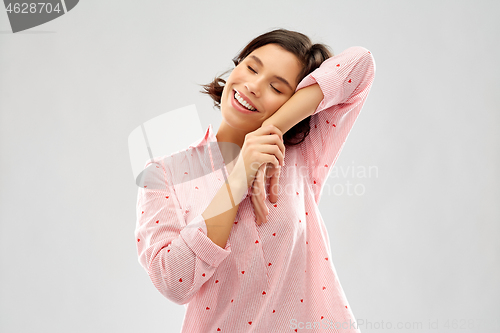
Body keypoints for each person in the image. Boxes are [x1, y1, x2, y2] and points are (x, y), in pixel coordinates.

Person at [135, 28, 375, 332]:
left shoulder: (301, 152)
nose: (253, 86)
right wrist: (240, 175)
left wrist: (271, 129)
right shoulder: (164, 174)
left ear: (294, 103)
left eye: (277, 87)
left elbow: (361, 63)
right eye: (250, 67)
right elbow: (172, 281)